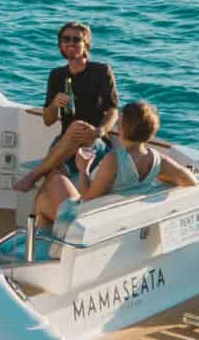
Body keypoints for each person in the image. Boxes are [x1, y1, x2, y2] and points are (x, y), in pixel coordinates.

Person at [12, 21, 120, 229]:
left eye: (76, 39)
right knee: (53, 177)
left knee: (76, 129)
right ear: (60, 45)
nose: (70, 43)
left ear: (86, 44)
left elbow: (113, 109)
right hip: (65, 142)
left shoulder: (101, 71)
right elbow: (48, 120)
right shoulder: (57, 75)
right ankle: (45, 231)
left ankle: (35, 176)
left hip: (93, 141)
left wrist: (99, 131)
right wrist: (54, 104)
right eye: (66, 39)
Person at [76, 101, 198, 200]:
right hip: (132, 222)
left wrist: (83, 170)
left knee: (58, 178)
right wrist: (160, 176)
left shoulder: (113, 160)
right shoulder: (157, 160)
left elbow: (87, 198)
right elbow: (191, 181)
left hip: (101, 219)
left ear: (121, 129)